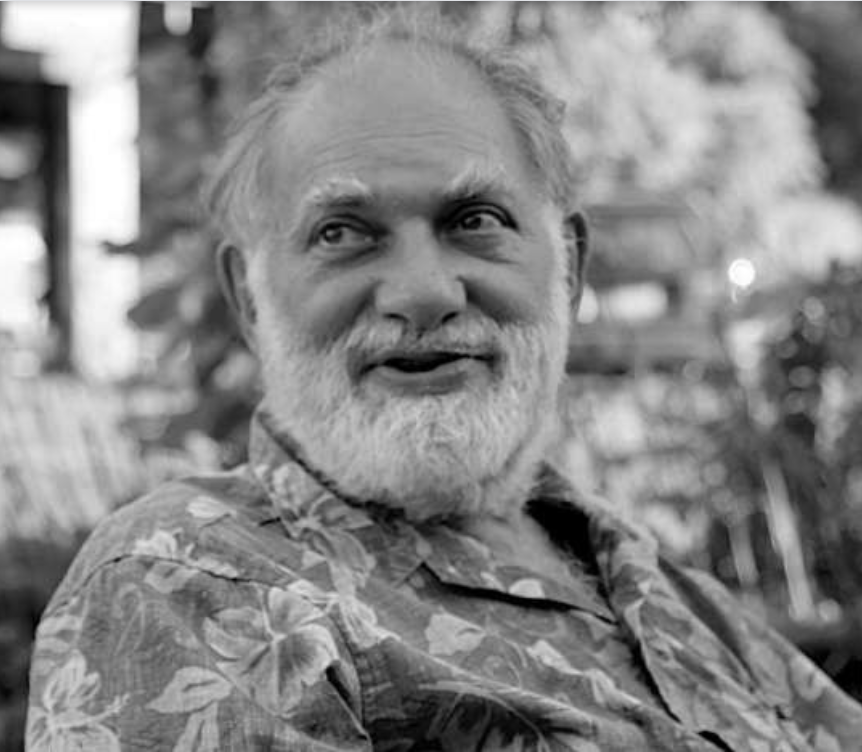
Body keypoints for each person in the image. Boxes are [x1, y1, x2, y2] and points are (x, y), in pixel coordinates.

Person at [27, 15, 862, 752]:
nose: (423, 291)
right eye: (343, 233)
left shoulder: (651, 579)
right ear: (249, 299)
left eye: (477, 222)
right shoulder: (188, 583)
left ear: (568, 267)